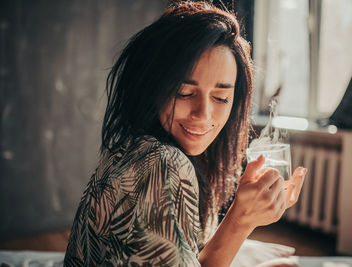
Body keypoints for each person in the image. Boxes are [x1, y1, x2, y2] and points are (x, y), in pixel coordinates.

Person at [64, 1, 307, 266]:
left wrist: (238, 235)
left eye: (221, 98)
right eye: (184, 93)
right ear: (152, 85)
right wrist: (240, 221)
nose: (203, 114)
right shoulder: (161, 164)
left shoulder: (137, 149)